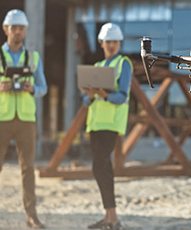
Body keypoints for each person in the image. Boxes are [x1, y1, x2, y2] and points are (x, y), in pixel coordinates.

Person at [0, 9, 47, 229]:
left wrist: (32, 88)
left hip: (26, 119)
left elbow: (43, 87)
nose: (17, 32)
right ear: (6, 29)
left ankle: (31, 216)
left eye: (21, 28)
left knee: (28, 168)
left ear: (26, 31)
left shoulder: (33, 57)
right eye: (13, 28)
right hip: (0, 119)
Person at [82, 23, 133, 230]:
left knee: (98, 166)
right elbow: (86, 102)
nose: (111, 45)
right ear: (101, 43)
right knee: (104, 169)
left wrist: (105, 95)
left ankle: (112, 218)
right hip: (95, 124)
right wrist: (91, 95)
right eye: (108, 42)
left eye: (115, 42)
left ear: (119, 43)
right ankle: (110, 218)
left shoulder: (124, 64)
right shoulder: (96, 67)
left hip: (111, 124)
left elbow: (122, 97)